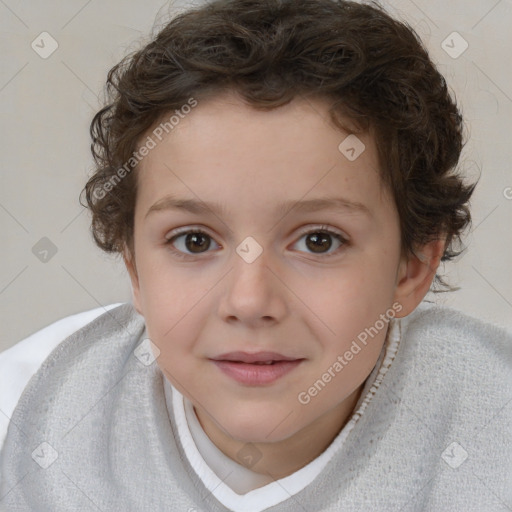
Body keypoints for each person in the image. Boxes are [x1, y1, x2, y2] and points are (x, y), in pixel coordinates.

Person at [1, 0, 511, 510]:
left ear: (412, 267)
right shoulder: (28, 412)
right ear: (134, 267)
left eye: (319, 241)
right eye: (194, 241)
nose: (249, 301)